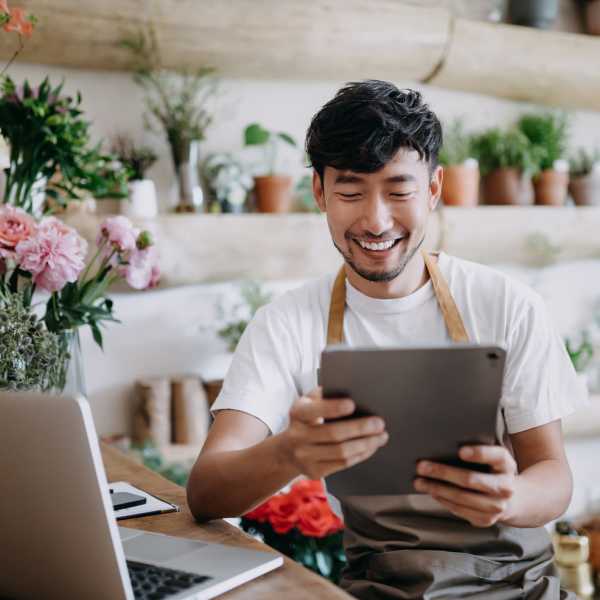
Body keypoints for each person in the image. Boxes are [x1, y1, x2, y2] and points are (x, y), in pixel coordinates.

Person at [186, 80, 587, 599]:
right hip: (380, 589)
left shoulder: (506, 304)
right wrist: (290, 453)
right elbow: (205, 490)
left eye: (399, 191)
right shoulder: (285, 324)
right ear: (319, 192)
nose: (376, 220)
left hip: (517, 587)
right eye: (351, 192)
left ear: (435, 190)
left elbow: (553, 475)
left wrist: (509, 497)